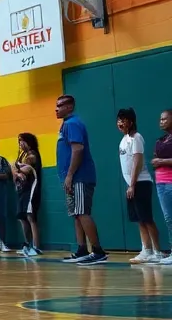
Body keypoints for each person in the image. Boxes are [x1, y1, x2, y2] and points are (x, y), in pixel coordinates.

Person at [55, 95, 107, 265]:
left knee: (83, 212)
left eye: (60, 105)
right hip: (71, 178)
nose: (56, 109)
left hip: (80, 177)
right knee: (76, 214)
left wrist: (70, 175)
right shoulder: (65, 125)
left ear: (70, 107)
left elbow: (78, 150)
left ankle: (98, 251)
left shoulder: (73, 123)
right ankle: (82, 250)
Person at [117, 108, 159, 264]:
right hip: (132, 185)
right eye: (119, 120)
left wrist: (132, 184)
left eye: (123, 120)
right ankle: (146, 250)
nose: (120, 123)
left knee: (147, 218)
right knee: (139, 220)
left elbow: (137, 161)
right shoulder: (124, 140)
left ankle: (157, 251)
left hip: (140, 183)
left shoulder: (136, 138)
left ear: (131, 122)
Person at [14, 133, 43, 257]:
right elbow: (15, 169)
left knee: (31, 217)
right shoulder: (22, 156)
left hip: (32, 189)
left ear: (28, 142)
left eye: (22, 141)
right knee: (22, 217)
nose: (20, 143)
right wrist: (16, 170)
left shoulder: (32, 155)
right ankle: (27, 244)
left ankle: (36, 247)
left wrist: (15, 169)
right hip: (22, 191)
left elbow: (24, 169)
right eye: (19, 141)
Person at [152, 109, 172, 265]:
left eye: (165, 119)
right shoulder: (161, 140)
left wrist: (162, 161)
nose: (161, 122)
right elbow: (155, 158)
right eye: (160, 119)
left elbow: (160, 160)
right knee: (168, 218)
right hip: (161, 183)